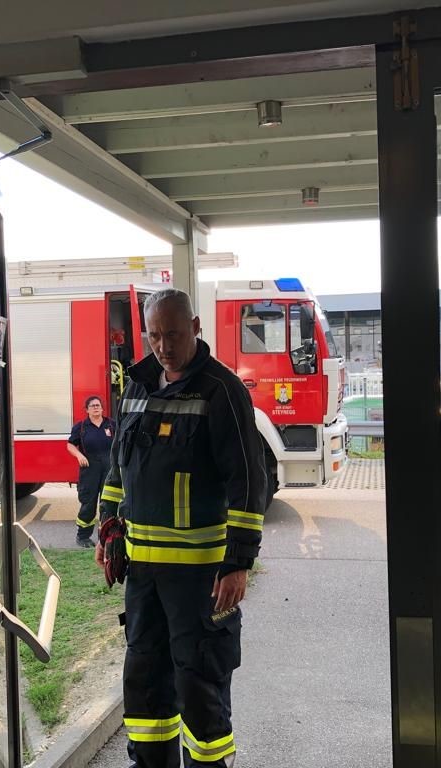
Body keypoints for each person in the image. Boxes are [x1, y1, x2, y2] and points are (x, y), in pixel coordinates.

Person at [96, 288, 266, 768]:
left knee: (199, 688)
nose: (163, 346)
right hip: (143, 578)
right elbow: (118, 469)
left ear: (194, 327)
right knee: (145, 685)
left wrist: (237, 563)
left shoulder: (222, 390)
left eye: (172, 334)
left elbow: (248, 481)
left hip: (200, 580)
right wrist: (108, 526)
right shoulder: (136, 387)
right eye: (154, 336)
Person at [67, 395, 115, 548]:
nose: (96, 407)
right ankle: (83, 537)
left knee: (108, 504)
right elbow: (70, 445)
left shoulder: (112, 425)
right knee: (88, 503)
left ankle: (107, 537)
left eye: (98, 405)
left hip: (109, 469)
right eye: (92, 406)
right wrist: (79, 455)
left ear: (102, 408)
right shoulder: (81, 427)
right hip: (89, 470)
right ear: (87, 410)